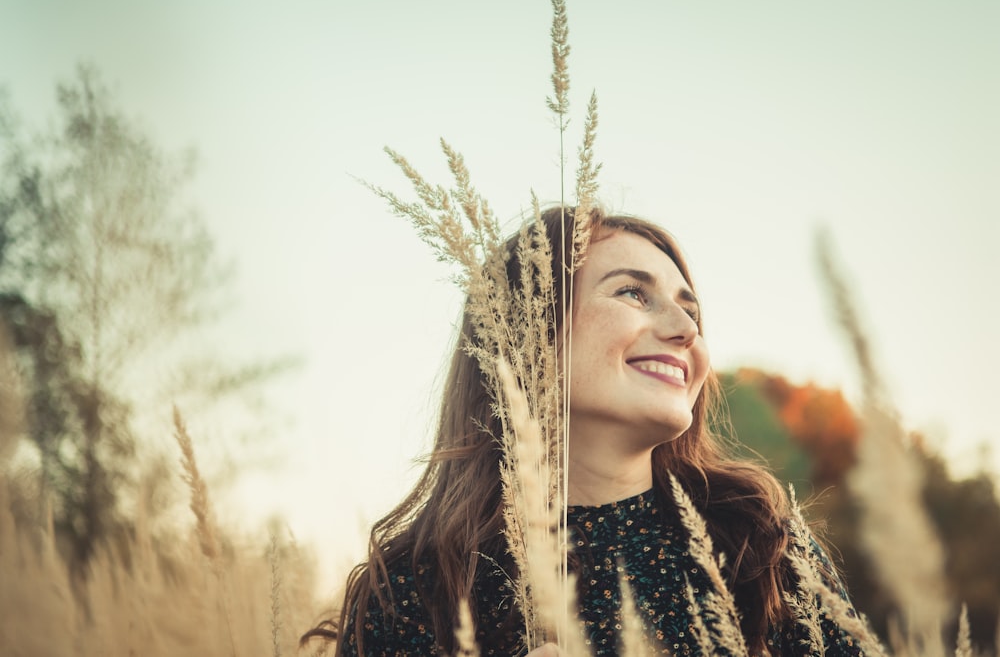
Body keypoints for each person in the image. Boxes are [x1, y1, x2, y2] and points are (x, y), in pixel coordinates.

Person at [306, 207, 865, 656]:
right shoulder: (417, 588)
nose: (685, 331)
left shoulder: (756, 540)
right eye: (633, 293)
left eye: (690, 309)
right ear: (531, 331)